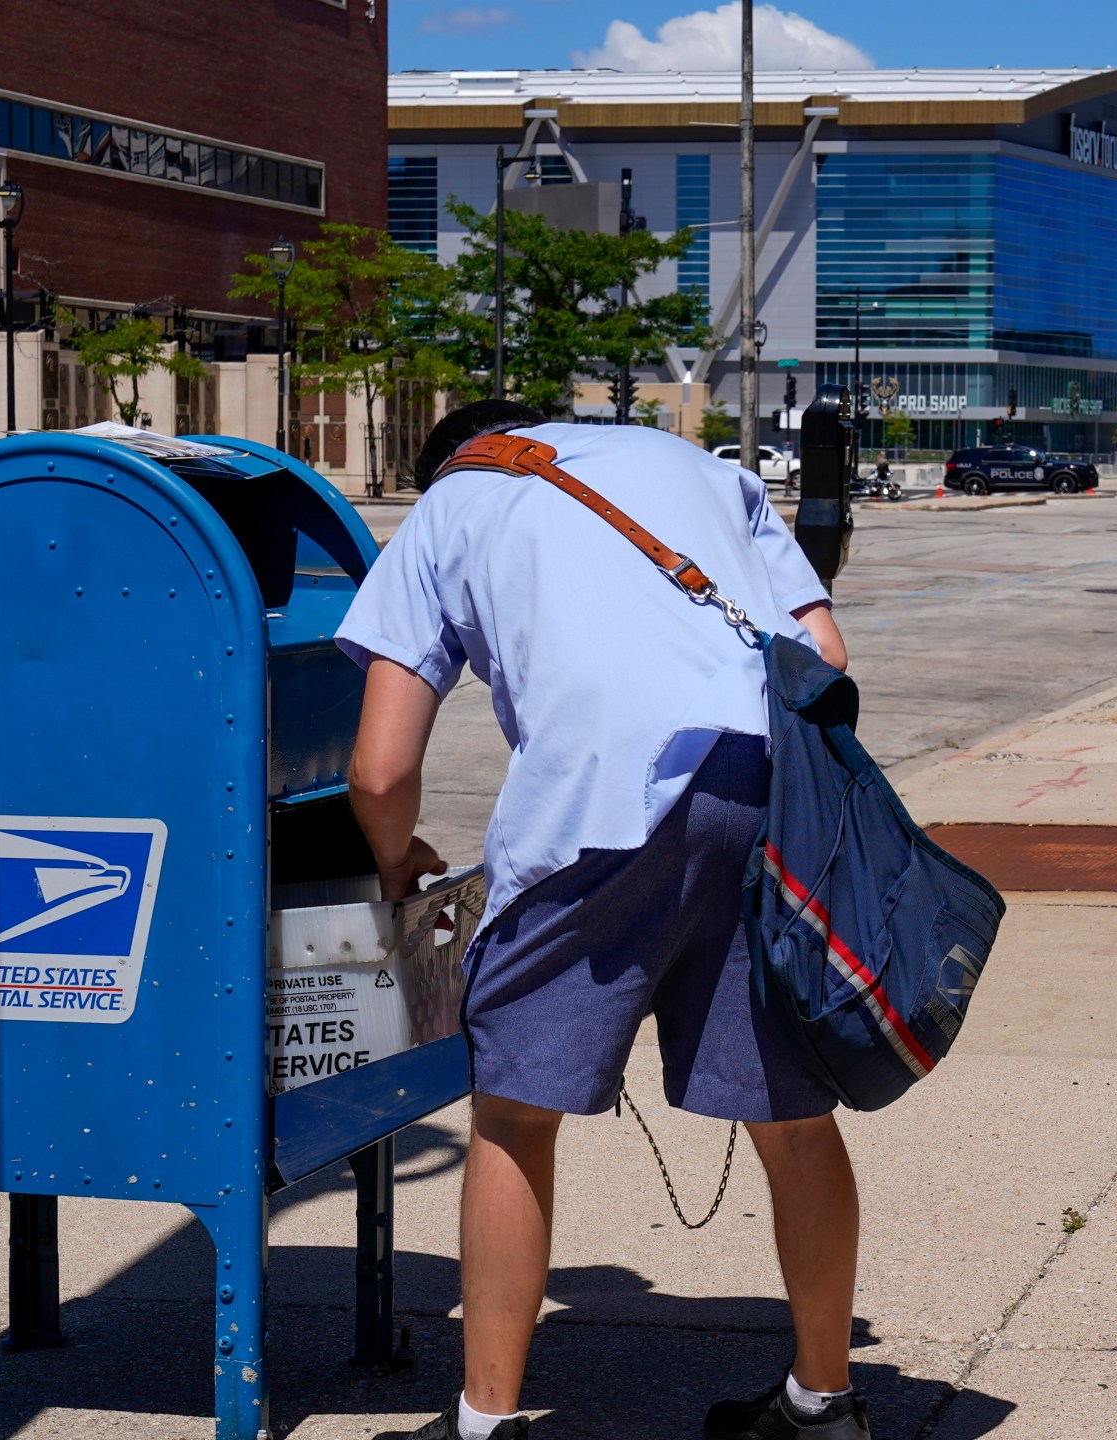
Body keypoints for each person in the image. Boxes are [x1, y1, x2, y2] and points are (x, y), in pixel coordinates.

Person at [348, 401, 870, 1440]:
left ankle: (486, 1423)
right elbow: (827, 653)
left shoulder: (453, 504)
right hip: (762, 785)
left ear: (445, 460)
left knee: (512, 1112)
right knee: (791, 1114)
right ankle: (823, 1404)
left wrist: (395, 856)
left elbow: (380, 767)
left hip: (595, 804)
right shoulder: (692, 463)